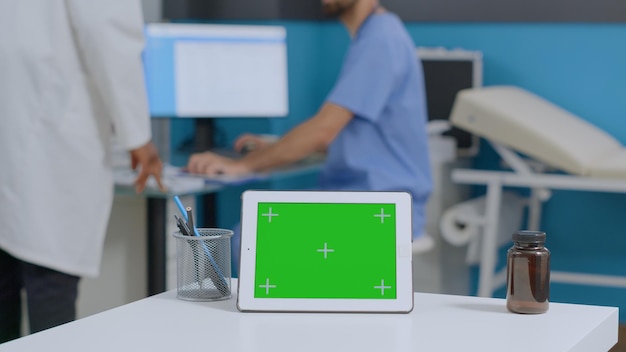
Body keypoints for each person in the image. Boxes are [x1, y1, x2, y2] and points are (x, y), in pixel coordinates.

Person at [186, 0, 432, 270]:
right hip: (368, 198)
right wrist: (277, 146)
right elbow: (357, 139)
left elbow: (324, 130)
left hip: (380, 208)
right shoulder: (377, 34)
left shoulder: (380, 39)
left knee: (252, 237)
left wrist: (241, 165)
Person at [0, 1, 164, 342]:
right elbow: (108, 34)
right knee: (48, 275)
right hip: (52, 133)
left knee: (11, 272)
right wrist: (138, 137)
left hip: (21, 120)